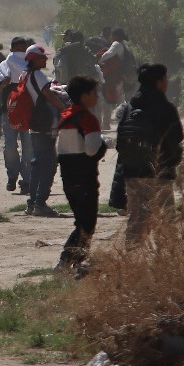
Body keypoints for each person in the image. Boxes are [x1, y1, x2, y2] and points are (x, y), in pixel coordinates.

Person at [118, 63, 184, 243]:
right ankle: (167, 258)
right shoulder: (166, 108)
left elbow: (121, 140)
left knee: (137, 217)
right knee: (166, 218)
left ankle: (131, 259)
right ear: (159, 82)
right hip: (160, 170)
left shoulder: (129, 108)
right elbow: (177, 135)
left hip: (133, 171)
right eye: (165, 79)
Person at [55, 77, 109, 272]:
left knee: (82, 221)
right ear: (84, 96)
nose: (97, 97)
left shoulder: (65, 117)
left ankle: (77, 262)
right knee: (87, 224)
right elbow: (92, 149)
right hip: (84, 177)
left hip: (68, 177)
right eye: (94, 93)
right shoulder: (87, 118)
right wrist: (105, 144)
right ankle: (67, 260)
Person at [18, 45, 65, 218]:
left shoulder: (25, 74)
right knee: (49, 164)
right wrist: (65, 109)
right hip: (45, 124)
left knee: (37, 164)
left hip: (34, 124)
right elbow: (48, 95)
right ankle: (40, 203)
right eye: (42, 57)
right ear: (33, 59)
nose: (45, 60)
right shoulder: (37, 75)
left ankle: (32, 203)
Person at [0, 37, 32, 194]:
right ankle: (12, 175)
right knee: (10, 147)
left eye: (23, 49)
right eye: (18, 49)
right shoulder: (5, 65)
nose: (20, 52)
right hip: (9, 112)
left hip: (28, 113)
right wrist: (4, 84)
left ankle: (27, 181)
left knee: (28, 148)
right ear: (12, 49)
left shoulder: (31, 65)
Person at [98, 28, 136, 111]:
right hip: (123, 74)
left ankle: (111, 120)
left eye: (112, 35)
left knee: (111, 96)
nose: (111, 37)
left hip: (116, 74)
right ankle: (122, 117)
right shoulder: (124, 44)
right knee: (121, 96)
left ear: (116, 36)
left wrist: (98, 61)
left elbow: (108, 54)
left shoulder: (116, 44)